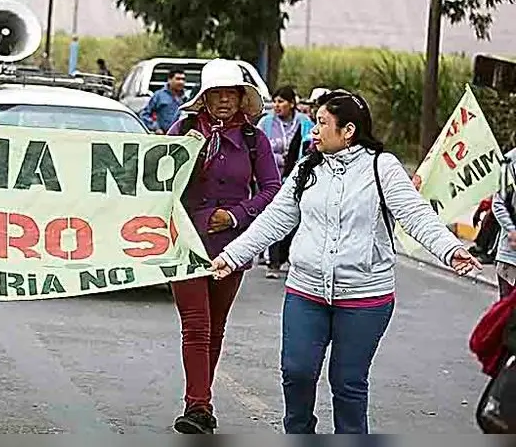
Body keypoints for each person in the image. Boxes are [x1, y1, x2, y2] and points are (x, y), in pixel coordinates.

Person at [208, 90, 482, 434]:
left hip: (366, 297)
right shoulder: (308, 167)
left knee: (348, 382)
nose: (313, 131)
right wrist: (232, 256)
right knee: (296, 371)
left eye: (322, 123)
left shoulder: (383, 168)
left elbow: (416, 215)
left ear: (348, 130)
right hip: (306, 291)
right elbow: (274, 219)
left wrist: (450, 249)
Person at [163, 58, 282, 434]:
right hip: (185, 241)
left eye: (232, 93)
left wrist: (235, 215)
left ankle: (201, 399)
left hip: (232, 245)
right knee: (195, 326)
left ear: (242, 98)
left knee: (215, 328)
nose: (225, 101)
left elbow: (271, 189)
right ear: (205, 99)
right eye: (217, 94)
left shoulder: (253, 140)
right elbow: (156, 179)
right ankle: (198, 405)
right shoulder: (182, 131)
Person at [256, 86, 315, 278]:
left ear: (292, 104)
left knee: (295, 219)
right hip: (270, 178)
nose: (277, 105)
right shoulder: (265, 122)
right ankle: (273, 262)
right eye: (275, 101)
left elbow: (310, 146)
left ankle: (287, 256)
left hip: (297, 178)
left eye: (281, 101)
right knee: (274, 216)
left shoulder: (304, 122)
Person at [492, 147, 516, 298]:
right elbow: (498, 204)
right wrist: (512, 230)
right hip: (511, 259)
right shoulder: (509, 161)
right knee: (508, 315)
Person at [141, 69, 187, 135]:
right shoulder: (159, 95)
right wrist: (156, 128)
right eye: (178, 79)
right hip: (163, 136)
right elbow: (144, 114)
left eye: (183, 79)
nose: (181, 82)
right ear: (169, 80)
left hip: (181, 137)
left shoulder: (187, 97)